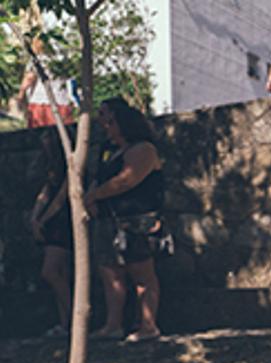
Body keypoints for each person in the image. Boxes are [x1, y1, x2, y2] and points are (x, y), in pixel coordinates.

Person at [84, 97, 164, 342]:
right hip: (110, 220)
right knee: (111, 274)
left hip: (136, 220)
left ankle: (148, 325)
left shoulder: (143, 149)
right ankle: (113, 324)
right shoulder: (110, 152)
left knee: (142, 274)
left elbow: (127, 180)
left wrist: (94, 196)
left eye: (109, 121)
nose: (105, 126)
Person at [29, 131, 73, 337]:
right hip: (50, 221)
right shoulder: (51, 168)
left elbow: (61, 197)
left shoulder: (70, 166)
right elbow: (45, 193)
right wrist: (35, 217)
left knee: (50, 271)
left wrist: (43, 219)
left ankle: (74, 317)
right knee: (60, 273)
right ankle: (65, 323)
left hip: (62, 221)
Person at [18, 38, 75, 128]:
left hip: (41, 104)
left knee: (40, 136)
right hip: (62, 103)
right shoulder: (62, 60)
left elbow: (29, 78)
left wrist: (20, 95)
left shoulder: (37, 60)